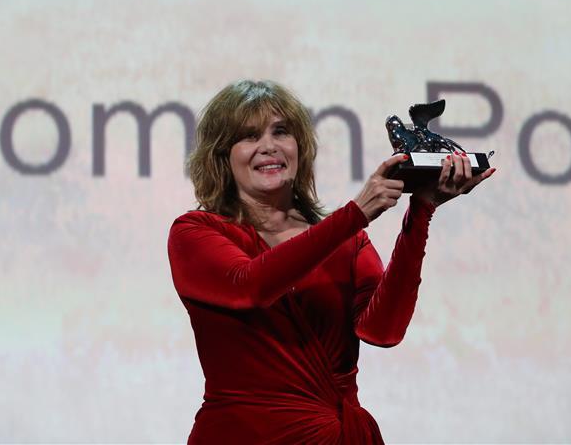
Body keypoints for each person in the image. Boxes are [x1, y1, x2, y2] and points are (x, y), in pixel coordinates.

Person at [167, 80, 495, 444]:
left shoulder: (347, 241)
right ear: (221, 155)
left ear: (300, 148)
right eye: (248, 136)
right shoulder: (195, 233)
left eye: (281, 132)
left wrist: (421, 210)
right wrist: (354, 214)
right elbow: (251, 287)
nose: (269, 147)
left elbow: (382, 331)